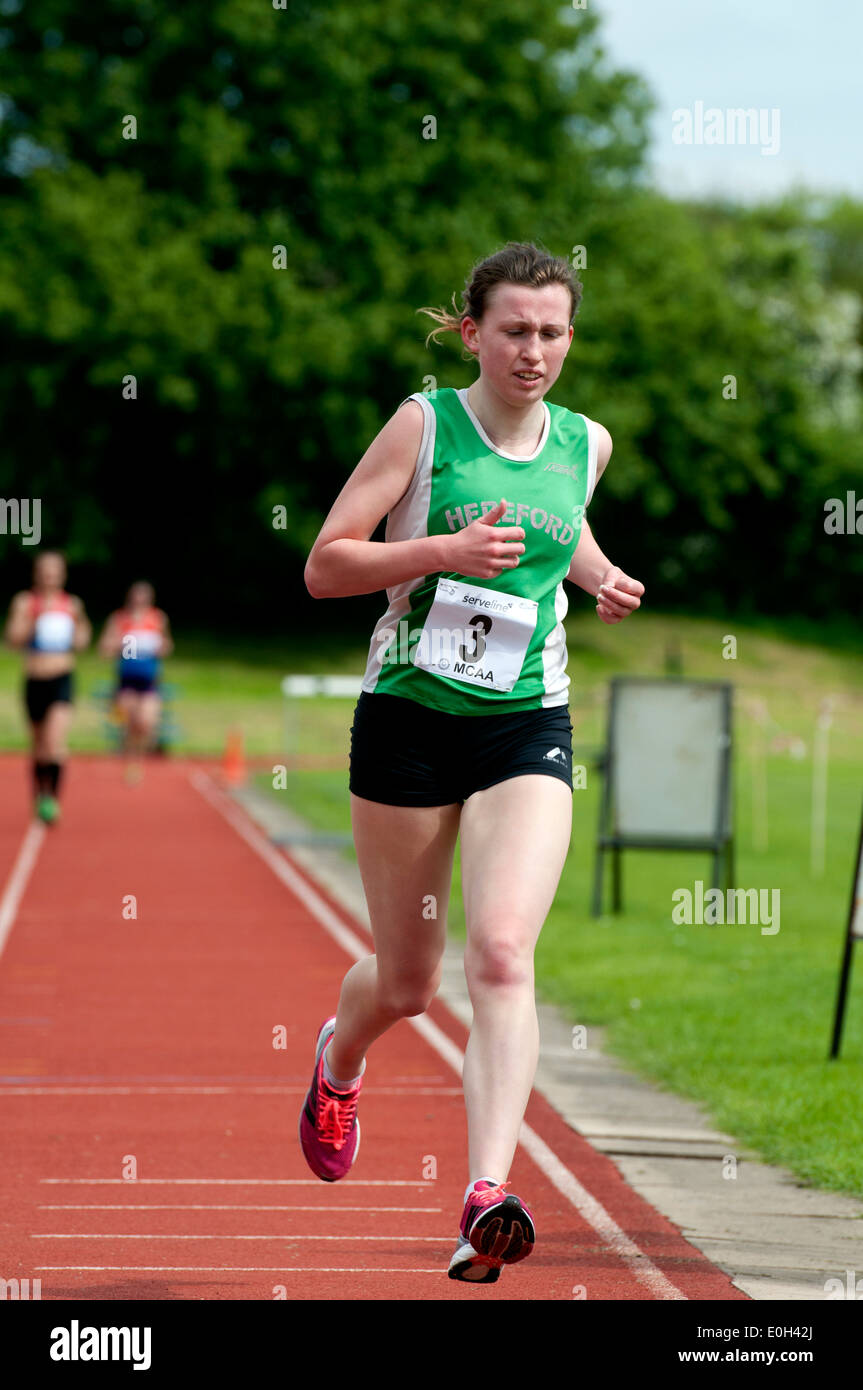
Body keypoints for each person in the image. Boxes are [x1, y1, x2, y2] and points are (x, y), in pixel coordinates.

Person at [300, 242, 644, 1284]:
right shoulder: (423, 424)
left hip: (522, 722)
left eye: (549, 332)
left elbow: (558, 523)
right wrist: (436, 554)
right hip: (407, 718)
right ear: (471, 333)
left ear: (568, 338)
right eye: (512, 330)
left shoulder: (586, 442)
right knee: (407, 981)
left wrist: (595, 574)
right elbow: (325, 565)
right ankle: (337, 1059)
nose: (531, 351)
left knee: (500, 953)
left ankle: (483, 1194)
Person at [4, 550, 91, 824]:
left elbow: (82, 641)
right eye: (45, 569)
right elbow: (12, 640)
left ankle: (52, 799)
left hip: (61, 678)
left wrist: (77, 630)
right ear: (37, 573)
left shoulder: (72, 605)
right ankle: (39, 795)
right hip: (34, 679)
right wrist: (35, 619)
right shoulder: (25, 602)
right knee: (39, 745)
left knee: (55, 742)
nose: (50, 575)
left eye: (55, 570)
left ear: (62, 573)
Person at [98, 582, 173, 773]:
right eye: (136, 596)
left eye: (144, 597)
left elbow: (167, 646)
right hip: (126, 681)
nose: (140, 601)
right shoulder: (119, 619)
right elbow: (104, 648)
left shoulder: (158, 618)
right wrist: (123, 645)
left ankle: (139, 757)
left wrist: (157, 646)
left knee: (146, 722)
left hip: (149, 681)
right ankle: (130, 760)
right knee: (129, 723)